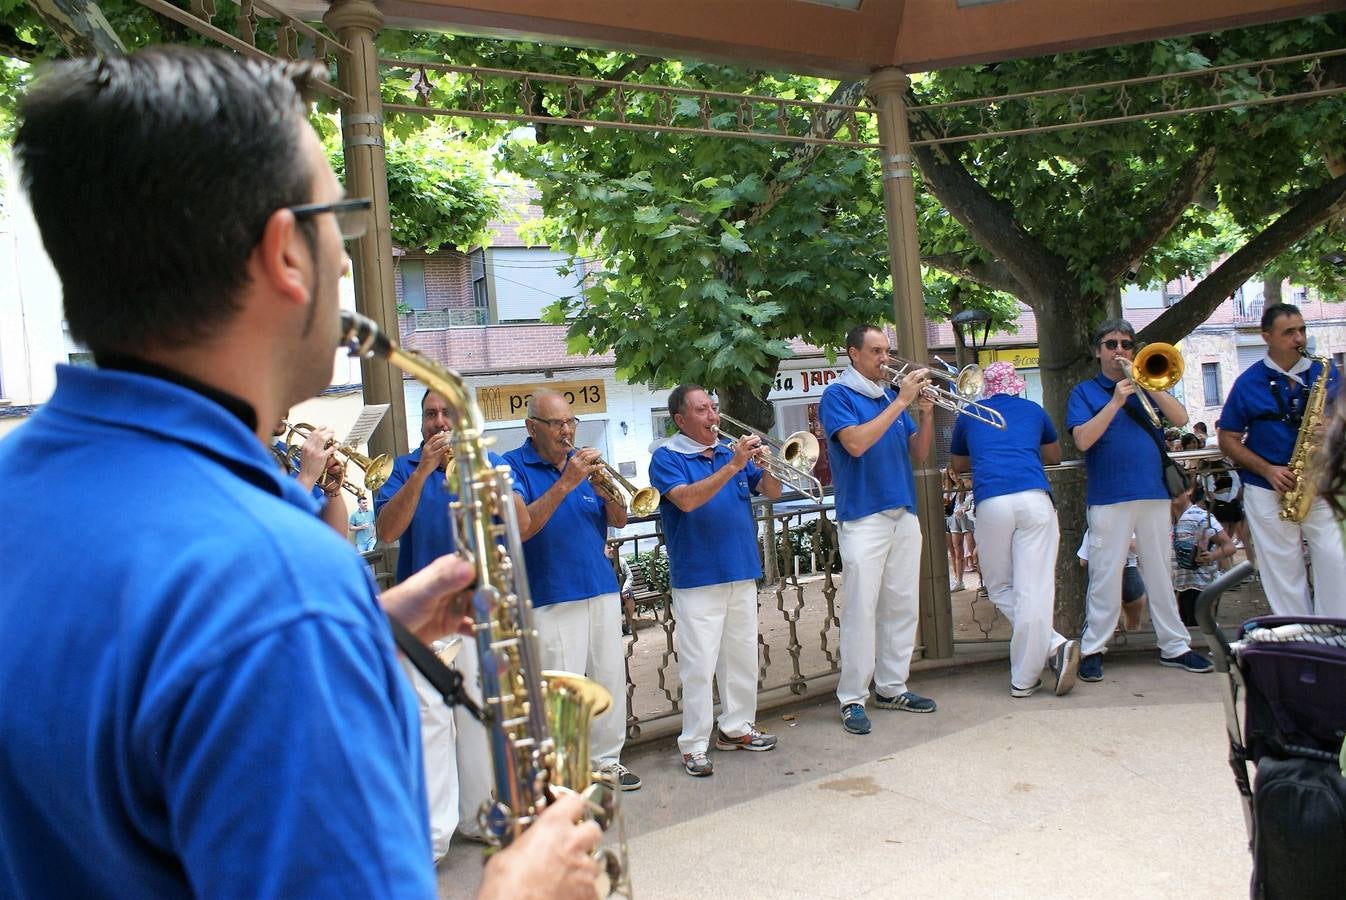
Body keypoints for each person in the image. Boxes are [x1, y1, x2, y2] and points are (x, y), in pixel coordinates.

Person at [0, 48, 599, 897]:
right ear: (286, 252)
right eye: (338, 226)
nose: (349, 266)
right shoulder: (276, 588)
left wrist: (356, 625)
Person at [375, 389, 526, 854]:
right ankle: (434, 839)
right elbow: (385, 531)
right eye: (429, 415)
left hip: (479, 612)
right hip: (424, 621)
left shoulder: (490, 460)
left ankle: (479, 816)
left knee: (481, 718)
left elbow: (518, 520)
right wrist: (422, 471)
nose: (437, 422)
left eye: (446, 414)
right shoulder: (403, 467)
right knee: (431, 726)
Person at [505, 390, 641, 791]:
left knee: (607, 679)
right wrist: (566, 482)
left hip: (599, 587)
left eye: (570, 422)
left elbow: (620, 519)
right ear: (532, 428)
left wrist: (606, 494)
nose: (566, 432)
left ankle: (606, 761)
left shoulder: (584, 466)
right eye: (556, 424)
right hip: (550, 592)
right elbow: (522, 526)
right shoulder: (513, 466)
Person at [1066, 319, 1213, 681]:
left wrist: (1147, 385)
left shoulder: (1148, 385)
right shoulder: (1084, 392)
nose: (1120, 351)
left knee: (1161, 573)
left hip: (1153, 493)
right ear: (1098, 350)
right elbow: (1083, 440)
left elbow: (1180, 418)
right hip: (1109, 496)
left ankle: (1175, 646)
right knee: (1104, 575)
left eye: (1127, 345)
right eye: (1111, 344)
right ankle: (1093, 648)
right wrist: (1116, 400)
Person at [648, 384, 781, 776]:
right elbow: (686, 500)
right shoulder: (667, 457)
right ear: (680, 419)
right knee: (698, 665)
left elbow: (771, 492)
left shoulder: (728, 452)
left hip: (740, 568)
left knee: (741, 658)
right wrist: (733, 466)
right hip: (698, 575)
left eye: (714, 408)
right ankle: (693, 744)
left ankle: (736, 728)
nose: (713, 417)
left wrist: (768, 463)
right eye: (702, 410)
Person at [818, 325, 938, 736]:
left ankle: (891, 687)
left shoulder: (889, 396)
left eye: (887, 350)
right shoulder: (838, 394)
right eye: (875, 352)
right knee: (860, 610)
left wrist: (923, 414)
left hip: (902, 510)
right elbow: (855, 444)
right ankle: (852, 697)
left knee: (902, 605)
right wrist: (902, 400)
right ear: (853, 353)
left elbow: (919, 454)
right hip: (863, 515)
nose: (884, 359)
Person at [949, 361, 1080, 698]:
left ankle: (1037, 665)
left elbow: (958, 465)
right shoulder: (1033, 410)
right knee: (1034, 588)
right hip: (1035, 497)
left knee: (999, 586)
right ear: (1016, 384)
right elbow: (1052, 455)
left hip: (992, 500)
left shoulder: (970, 413)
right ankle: (1046, 654)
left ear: (984, 386)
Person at [1216, 302, 1346, 617]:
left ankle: (1334, 641)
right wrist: (1268, 470)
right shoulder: (1247, 383)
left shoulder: (1326, 373)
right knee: (1282, 572)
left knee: (1337, 561)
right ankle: (1298, 645)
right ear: (1267, 337)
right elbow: (1227, 438)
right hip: (1266, 486)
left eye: (1301, 330)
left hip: (1319, 482)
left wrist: (1333, 426)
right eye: (1289, 332)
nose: (1299, 338)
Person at [1171, 481, 1238, 626]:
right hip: (1181, 586)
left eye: (1176, 489)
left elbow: (1229, 546)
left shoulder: (1200, 516)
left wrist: (1212, 556)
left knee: (1201, 629)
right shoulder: (1167, 518)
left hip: (1203, 586)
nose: (1172, 493)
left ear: (1189, 490)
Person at [1077, 531, 1148, 633]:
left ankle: (1106, 634)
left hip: (1103, 575)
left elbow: (1083, 561)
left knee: (1101, 620)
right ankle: (1131, 634)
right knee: (1133, 623)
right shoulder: (1128, 525)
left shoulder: (1092, 530)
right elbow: (1136, 548)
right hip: (1129, 572)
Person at [607, 541, 637, 636]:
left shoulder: (621, 560)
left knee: (629, 597)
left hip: (623, 589)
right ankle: (617, 628)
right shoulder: (601, 564)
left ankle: (629, 626)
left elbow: (629, 576)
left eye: (614, 547)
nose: (612, 549)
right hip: (609, 592)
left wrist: (624, 590)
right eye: (609, 547)